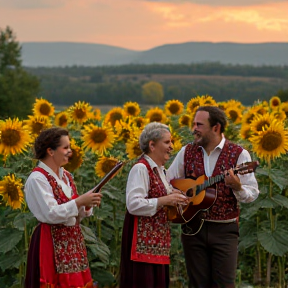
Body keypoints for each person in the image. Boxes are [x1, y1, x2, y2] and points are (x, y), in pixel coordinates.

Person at [166, 106, 260, 288]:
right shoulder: (186, 151)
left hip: (224, 231)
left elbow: (252, 193)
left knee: (224, 284)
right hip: (192, 229)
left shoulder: (239, 154)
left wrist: (237, 186)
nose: (194, 128)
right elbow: (168, 182)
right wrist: (178, 195)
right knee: (197, 284)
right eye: (193, 124)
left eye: (199, 124)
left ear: (216, 128)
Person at [24, 127, 102, 288]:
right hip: (50, 242)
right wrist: (80, 201)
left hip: (73, 243)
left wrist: (86, 204)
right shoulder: (37, 178)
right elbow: (51, 214)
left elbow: (75, 213)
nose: (70, 151)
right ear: (50, 151)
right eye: (65, 147)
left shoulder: (66, 175)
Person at [119, 122, 189, 288]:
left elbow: (162, 197)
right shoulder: (141, 169)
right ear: (152, 145)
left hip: (157, 244)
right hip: (141, 245)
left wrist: (177, 198)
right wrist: (165, 200)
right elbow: (133, 204)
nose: (171, 147)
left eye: (171, 142)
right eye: (167, 142)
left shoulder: (161, 171)